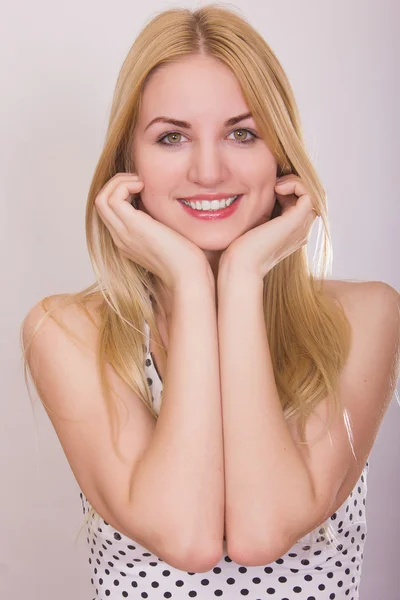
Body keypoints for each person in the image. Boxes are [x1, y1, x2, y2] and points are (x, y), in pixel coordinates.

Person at [20, 4, 399, 600]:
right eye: (172, 137)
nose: (208, 169)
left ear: (281, 155)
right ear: (130, 164)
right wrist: (193, 283)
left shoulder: (363, 317)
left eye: (242, 133)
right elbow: (189, 538)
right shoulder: (67, 331)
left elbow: (261, 531)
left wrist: (242, 277)